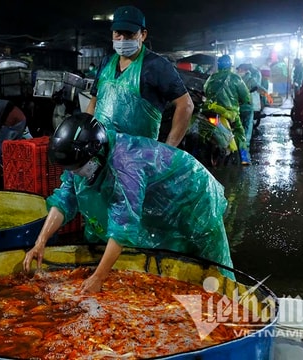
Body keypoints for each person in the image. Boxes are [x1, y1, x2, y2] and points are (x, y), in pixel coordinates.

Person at [22, 113, 234, 293]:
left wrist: (99, 277)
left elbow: (123, 226)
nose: (75, 174)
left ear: (97, 154)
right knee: (167, 253)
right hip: (158, 198)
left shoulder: (126, 166)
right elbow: (64, 199)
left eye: (77, 168)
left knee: (208, 257)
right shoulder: (82, 160)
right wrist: (40, 242)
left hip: (193, 195)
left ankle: (226, 302)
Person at [85, 5, 194, 147]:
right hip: (102, 150)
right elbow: (94, 102)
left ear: (143, 35)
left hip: (138, 157)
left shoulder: (156, 66)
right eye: (118, 33)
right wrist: (85, 134)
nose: (122, 39)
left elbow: (185, 105)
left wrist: (168, 150)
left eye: (129, 34)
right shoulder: (106, 62)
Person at [204, 55, 252, 165]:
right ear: (230, 65)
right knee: (240, 133)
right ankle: (245, 158)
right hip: (230, 113)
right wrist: (246, 100)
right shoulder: (235, 78)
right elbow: (246, 96)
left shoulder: (211, 78)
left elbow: (205, 90)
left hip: (212, 110)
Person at [236, 63, 272, 147]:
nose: (238, 71)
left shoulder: (248, 79)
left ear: (244, 70)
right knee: (246, 126)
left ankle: (243, 144)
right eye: (238, 70)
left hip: (243, 106)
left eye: (240, 69)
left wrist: (267, 95)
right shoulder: (239, 79)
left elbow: (258, 87)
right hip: (243, 106)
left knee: (244, 125)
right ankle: (244, 144)